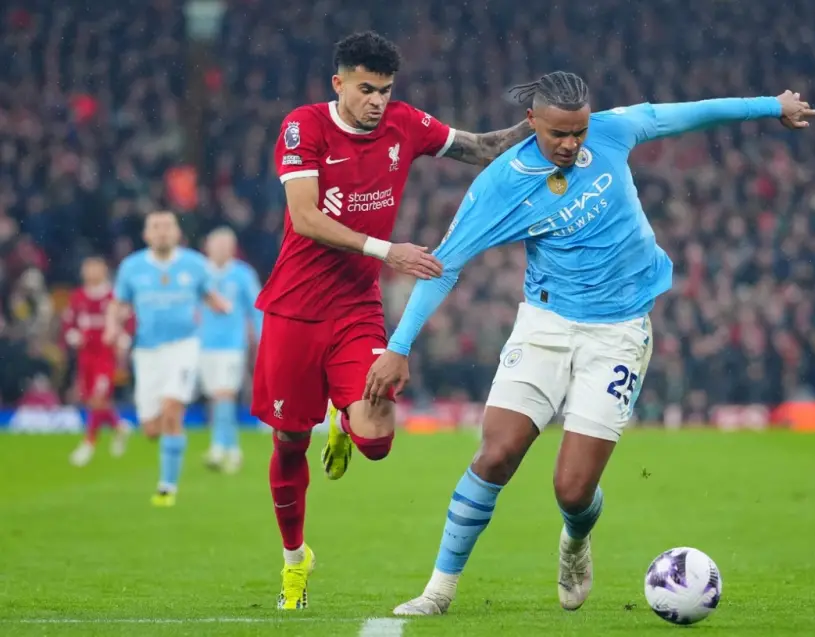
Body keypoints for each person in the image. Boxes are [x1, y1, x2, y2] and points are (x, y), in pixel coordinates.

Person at [363, 71, 815, 615]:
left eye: (578, 131)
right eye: (558, 133)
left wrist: (771, 105)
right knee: (496, 455)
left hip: (619, 334)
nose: (571, 144)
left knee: (573, 490)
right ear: (531, 121)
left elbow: (686, 112)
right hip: (545, 327)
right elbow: (444, 266)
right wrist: (399, 346)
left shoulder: (610, 131)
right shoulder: (501, 184)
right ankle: (438, 591)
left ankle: (575, 541)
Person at [252, 30, 533, 610]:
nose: (377, 101)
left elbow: (482, 148)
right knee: (289, 443)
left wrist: (541, 123)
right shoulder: (304, 126)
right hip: (294, 308)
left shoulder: (405, 124)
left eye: (384, 90)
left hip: (356, 307)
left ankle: (345, 415)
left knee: (377, 443)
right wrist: (388, 251)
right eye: (366, 90)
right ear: (339, 83)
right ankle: (295, 560)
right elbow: (304, 218)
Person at [104, 211, 230, 507]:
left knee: (172, 409)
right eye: (156, 227)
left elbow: (209, 295)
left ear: (177, 233)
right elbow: (118, 303)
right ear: (146, 235)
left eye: (167, 226)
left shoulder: (195, 264)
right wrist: (112, 327)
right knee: (151, 429)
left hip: (183, 347)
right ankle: (166, 441)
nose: (162, 232)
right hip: (147, 352)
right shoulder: (132, 267)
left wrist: (222, 306)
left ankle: (166, 487)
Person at [198, 227, 264, 474]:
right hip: (204, 344)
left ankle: (220, 448)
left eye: (227, 245)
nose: (222, 249)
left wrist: (263, 339)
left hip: (233, 345)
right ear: (208, 246)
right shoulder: (199, 272)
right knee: (217, 398)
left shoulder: (242, 274)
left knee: (224, 394)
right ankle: (232, 449)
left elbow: (256, 308)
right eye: (218, 244)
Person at [65, 256, 131, 466]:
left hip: (106, 354)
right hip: (86, 355)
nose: (91, 273)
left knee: (98, 397)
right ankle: (119, 427)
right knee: (92, 399)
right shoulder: (78, 297)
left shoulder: (113, 296)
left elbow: (128, 320)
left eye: (95, 268)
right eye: (88, 269)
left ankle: (89, 442)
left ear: (104, 271)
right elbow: (69, 322)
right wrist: (73, 335)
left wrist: (124, 338)